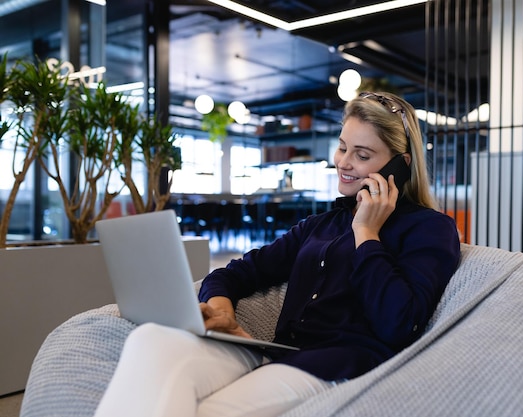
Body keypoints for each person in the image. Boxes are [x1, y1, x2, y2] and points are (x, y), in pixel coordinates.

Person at [94, 91, 461, 417]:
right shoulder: (319, 225)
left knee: (209, 411)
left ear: (400, 166)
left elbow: (399, 321)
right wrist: (223, 315)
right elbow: (234, 273)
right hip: (273, 353)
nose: (344, 162)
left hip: (337, 368)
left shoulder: (429, 229)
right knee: (150, 339)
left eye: (362, 155)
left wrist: (367, 232)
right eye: (343, 146)